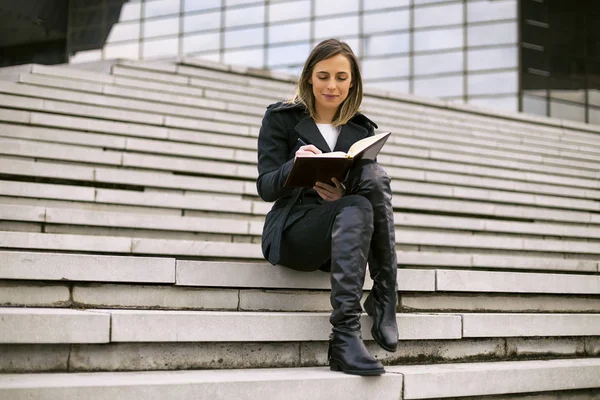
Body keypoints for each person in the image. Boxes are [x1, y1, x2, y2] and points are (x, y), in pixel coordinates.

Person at [256, 38, 398, 376]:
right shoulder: (282, 118)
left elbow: (362, 192)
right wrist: (293, 166)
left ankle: (372, 305)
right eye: (323, 76)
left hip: (344, 228)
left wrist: (342, 196)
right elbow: (265, 187)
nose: (331, 86)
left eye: (340, 77)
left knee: (371, 182)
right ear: (308, 77)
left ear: (352, 82)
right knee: (360, 204)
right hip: (294, 228)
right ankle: (371, 308)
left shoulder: (361, 129)